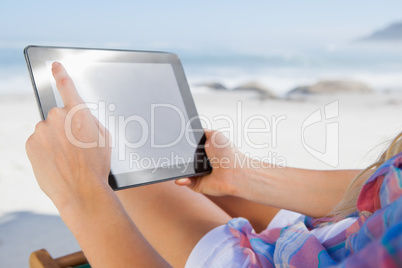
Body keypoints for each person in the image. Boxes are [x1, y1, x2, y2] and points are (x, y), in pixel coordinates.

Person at [26, 62, 402, 268]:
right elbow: (387, 188)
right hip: (332, 234)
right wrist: (244, 176)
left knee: (129, 172)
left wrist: (83, 195)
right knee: (149, 160)